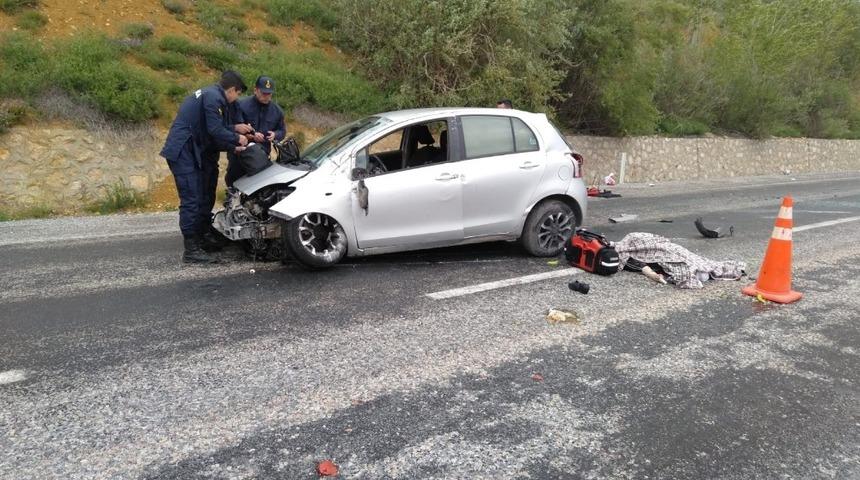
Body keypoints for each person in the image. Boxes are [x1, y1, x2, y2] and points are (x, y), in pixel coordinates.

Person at [160, 70, 252, 263]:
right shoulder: (214, 97)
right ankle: (191, 249)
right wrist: (237, 138)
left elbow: (213, 130)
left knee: (205, 193)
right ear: (233, 90)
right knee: (192, 198)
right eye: (238, 94)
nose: (237, 99)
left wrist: (233, 141)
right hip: (184, 151)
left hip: (198, 151)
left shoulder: (213, 96)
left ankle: (203, 235)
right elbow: (215, 130)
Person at [226, 75, 287, 187]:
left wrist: (275, 134)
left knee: (258, 188)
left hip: (261, 157)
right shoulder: (240, 105)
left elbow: (282, 131)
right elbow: (231, 127)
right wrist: (251, 136)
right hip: (240, 154)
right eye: (264, 93)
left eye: (269, 94)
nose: (267, 96)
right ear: (255, 90)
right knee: (234, 184)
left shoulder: (277, 111)